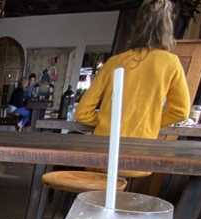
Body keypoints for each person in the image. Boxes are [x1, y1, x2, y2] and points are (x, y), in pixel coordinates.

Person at [74, 0, 190, 139]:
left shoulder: (114, 62)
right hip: (141, 141)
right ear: (169, 28)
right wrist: (151, 124)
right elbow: (181, 111)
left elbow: (82, 113)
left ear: (137, 26)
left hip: (105, 140)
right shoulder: (171, 63)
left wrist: (107, 122)